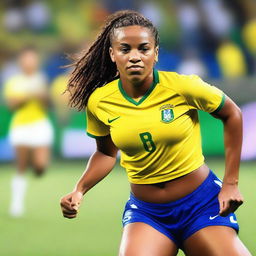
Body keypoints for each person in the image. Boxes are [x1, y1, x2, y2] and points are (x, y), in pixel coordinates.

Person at [60, 10, 251, 255]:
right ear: (112, 54)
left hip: (201, 204)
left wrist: (231, 183)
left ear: (156, 53)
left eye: (143, 48)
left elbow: (232, 114)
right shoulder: (100, 102)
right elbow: (106, 154)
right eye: (125, 49)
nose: (135, 57)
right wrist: (79, 189)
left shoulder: (183, 86)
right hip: (148, 213)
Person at [3, 46, 54, 217]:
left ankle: (35, 159)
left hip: (40, 125)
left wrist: (42, 96)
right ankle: (17, 204)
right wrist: (27, 95)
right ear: (21, 62)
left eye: (32, 59)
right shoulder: (14, 81)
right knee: (21, 166)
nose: (29, 62)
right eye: (27, 59)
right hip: (21, 126)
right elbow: (11, 105)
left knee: (40, 167)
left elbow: (48, 104)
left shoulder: (42, 79)